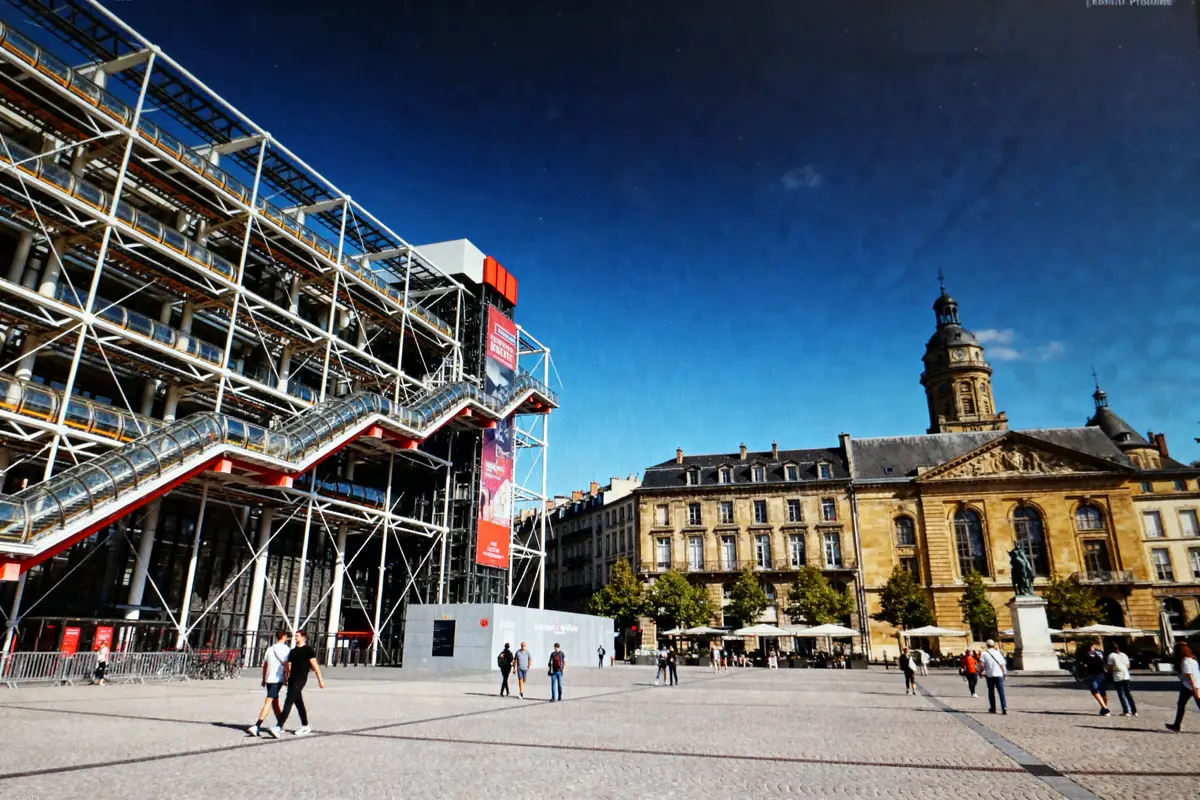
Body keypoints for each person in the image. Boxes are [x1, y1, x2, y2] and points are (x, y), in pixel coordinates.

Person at [270, 629, 324, 737]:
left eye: (297, 636)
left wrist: (320, 680)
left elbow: (315, 666)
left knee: (288, 701)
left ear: (304, 637)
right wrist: (285, 677)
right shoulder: (293, 651)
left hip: (301, 679)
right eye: (295, 636)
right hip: (292, 679)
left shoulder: (308, 650)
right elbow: (288, 666)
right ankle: (306, 726)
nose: (295, 638)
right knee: (299, 703)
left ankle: (278, 726)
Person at [247, 630, 290, 737]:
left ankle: (279, 724)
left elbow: (265, 665)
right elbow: (287, 666)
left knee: (273, 701)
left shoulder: (270, 649)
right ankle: (257, 725)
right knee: (270, 702)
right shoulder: (286, 650)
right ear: (284, 637)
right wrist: (286, 677)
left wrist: (263, 678)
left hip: (269, 679)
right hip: (277, 679)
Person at [1166, 642, 1200, 733]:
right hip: (1196, 684)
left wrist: (1194, 690)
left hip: (1188, 686)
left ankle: (1176, 725)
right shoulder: (1193, 659)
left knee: (1181, 705)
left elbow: (1189, 676)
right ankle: (1176, 725)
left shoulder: (1185, 661)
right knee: (1182, 705)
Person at [1081, 639, 1111, 716]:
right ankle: (1104, 708)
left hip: (1093, 674)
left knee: (1095, 691)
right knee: (1103, 692)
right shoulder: (1100, 652)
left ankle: (1105, 708)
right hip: (1102, 673)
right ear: (1094, 645)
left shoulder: (1086, 654)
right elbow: (1104, 662)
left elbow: (1085, 664)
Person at [1106, 641, 1136, 717]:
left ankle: (1126, 711)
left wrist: (1110, 670)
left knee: (1121, 694)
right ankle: (1134, 711)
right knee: (1128, 693)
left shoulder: (1111, 656)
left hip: (1118, 676)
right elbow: (1128, 665)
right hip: (1126, 675)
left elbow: (1110, 668)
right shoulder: (1124, 654)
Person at [980, 639, 1007, 715]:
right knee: (1001, 692)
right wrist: (1004, 673)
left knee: (991, 692)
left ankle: (993, 708)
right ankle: (1004, 707)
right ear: (993, 645)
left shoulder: (984, 653)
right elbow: (1002, 664)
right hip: (999, 674)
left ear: (987, 645)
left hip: (990, 675)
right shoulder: (998, 653)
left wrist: (981, 672)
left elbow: (982, 665)